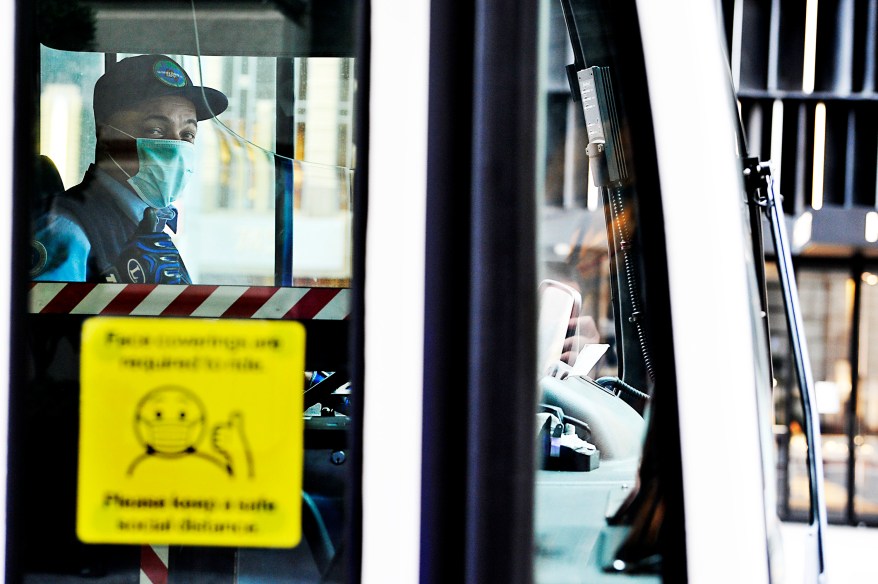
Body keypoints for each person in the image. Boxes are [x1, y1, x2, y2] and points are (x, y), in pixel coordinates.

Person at [31, 54, 228, 283]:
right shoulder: (67, 231)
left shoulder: (152, 230)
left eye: (187, 135)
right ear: (107, 135)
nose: (176, 149)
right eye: (155, 130)